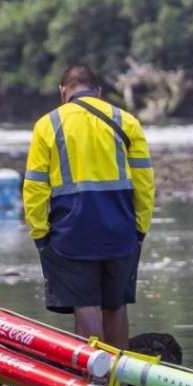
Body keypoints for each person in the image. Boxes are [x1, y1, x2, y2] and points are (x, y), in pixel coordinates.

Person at [22, 65, 154, 349]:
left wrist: (39, 232)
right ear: (99, 92)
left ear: (62, 91)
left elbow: (34, 187)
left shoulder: (48, 124)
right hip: (121, 227)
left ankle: (95, 380)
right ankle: (121, 378)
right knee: (116, 304)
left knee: (86, 305)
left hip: (71, 229)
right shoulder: (127, 121)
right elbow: (144, 183)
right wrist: (140, 228)